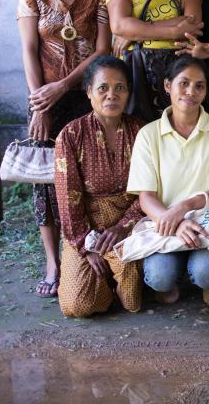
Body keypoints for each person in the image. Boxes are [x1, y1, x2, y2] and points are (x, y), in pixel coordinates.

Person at [18, 0, 111, 297]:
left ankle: (82, 250)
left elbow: (103, 51)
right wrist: (41, 103)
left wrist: (65, 86)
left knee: (82, 177)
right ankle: (52, 261)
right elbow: (28, 48)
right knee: (44, 179)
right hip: (43, 98)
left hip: (84, 97)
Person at [127, 57, 209, 305]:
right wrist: (176, 222)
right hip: (165, 222)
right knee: (159, 277)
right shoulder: (148, 135)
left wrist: (185, 206)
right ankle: (175, 275)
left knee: (207, 273)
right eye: (184, 83)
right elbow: (146, 197)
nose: (191, 91)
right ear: (167, 85)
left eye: (199, 86)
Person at [54, 56, 144, 317]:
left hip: (130, 224)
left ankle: (119, 275)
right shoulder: (71, 135)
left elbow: (152, 189)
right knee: (77, 304)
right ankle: (100, 277)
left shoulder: (142, 132)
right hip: (85, 227)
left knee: (131, 299)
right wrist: (86, 247)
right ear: (89, 92)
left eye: (120, 88)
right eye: (103, 88)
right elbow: (67, 199)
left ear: (128, 92)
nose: (111, 95)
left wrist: (123, 226)